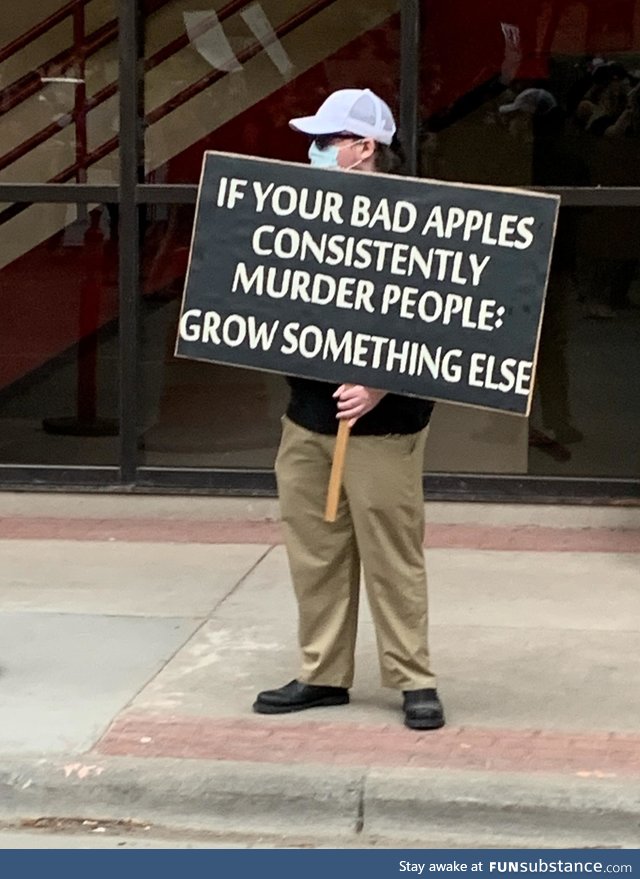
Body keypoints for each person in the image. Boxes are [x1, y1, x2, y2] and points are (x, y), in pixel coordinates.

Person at [252, 88, 444, 731]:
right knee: (316, 551)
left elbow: (446, 318)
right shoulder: (300, 213)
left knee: (393, 555)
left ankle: (413, 679)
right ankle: (323, 673)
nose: (316, 151)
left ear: (364, 147)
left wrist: (381, 385)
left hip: (385, 425)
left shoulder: (423, 218)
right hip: (306, 415)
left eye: (327, 141)